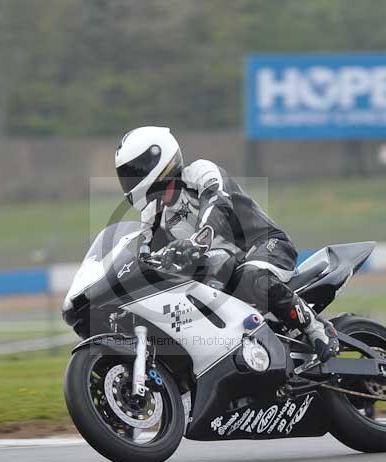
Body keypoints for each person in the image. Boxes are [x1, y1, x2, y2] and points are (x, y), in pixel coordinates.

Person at [114, 126, 338, 362]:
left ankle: (318, 328)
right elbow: (144, 257)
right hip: (220, 268)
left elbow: (217, 205)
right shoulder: (152, 214)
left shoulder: (200, 172)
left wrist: (195, 243)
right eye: (126, 174)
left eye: (135, 171)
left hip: (265, 245)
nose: (130, 180)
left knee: (252, 275)